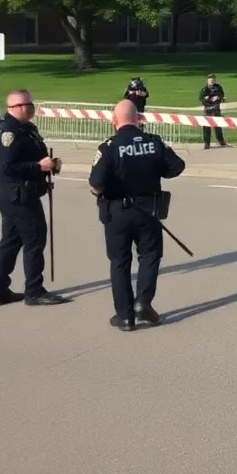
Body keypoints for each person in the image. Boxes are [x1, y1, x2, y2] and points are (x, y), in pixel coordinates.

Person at [88, 99, 187, 331]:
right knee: (150, 256)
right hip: (148, 210)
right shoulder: (153, 143)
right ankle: (142, 303)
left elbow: (95, 184)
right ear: (139, 119)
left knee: (120, 262)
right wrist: (154, 171)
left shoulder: (109, 147)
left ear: (114, 121)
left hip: (117, 212)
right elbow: (177, 166)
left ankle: (124, 316)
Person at [0, 88, 68, 307]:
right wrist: (38, 167)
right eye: (23, 105)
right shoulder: (8, 133)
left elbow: (32, 154)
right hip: (18, 193)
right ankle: (34, 290)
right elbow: (6, 167)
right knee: (35, 238)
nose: (28, 107)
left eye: (30, 103)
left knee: (11, 241)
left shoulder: (25, 128)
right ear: (11, 108)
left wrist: (49, 164)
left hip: (17, 192)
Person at [201, 74, 227, 148]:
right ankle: (207, 143)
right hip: (208, 110)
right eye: (210, 80)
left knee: (218, 126)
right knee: (206, 127)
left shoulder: (218, 87)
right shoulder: (205, 89)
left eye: (213, 80)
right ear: (207, 81)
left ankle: (221, 141)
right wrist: (210, 99)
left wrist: (218, 98)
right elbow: (202, 99)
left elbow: (222, 95)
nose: (212, 82)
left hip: (216, 109)